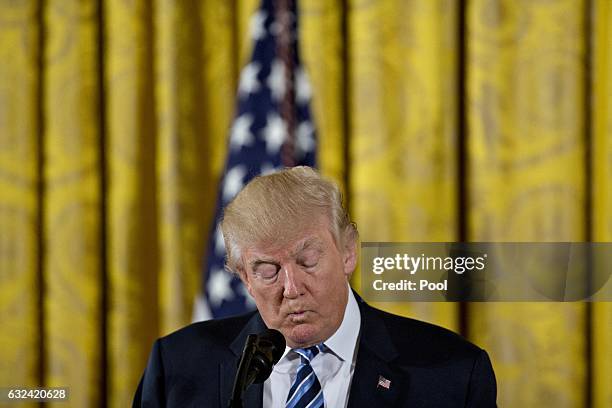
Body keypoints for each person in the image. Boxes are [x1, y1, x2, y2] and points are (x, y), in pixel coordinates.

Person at [133, 166, 497, 407]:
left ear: (348, 253)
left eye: (308, 261)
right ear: (244, 276)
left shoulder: (453, 375)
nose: (292, 288)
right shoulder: (178, 368)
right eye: (268, 270)